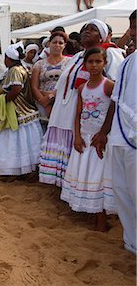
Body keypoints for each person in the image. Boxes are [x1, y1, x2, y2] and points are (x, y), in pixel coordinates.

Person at [39, 19, 124, 187]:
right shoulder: (78, 56)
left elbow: (114, 89)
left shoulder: (110, 54)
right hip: (63, 112)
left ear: (102, 37)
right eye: (85, 28)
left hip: (87, 117)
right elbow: (64, 84)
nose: (86, 31)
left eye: (93, 29)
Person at [94, 10, 136, 254]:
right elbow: (116, 99)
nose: (134, 33)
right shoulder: (129, 60)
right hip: (120, 137)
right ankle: (132, 243)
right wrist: (104, 132)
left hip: (134, 139)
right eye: (132, 27)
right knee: (123, 192)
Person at [60, 47, 115, 231]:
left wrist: (104, 133)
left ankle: (101, 220)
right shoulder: (82, 88)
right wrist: (77, 136)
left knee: (99, 178)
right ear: (85, 64)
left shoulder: (108, 85)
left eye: (98, 61)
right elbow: (78, 114)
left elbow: (114, 108)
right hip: (84, 138)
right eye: (90, 62)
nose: (94, 65)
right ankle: (91, 215)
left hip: (99, 141)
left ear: (104, 63)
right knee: (85, 175)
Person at [0, 42, 42, 180]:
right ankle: (22, 171)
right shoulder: (18, 69)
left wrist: (2, 99)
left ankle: (13, 172)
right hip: (22, 110)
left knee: (12, 143)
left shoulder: (15, 70)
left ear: (8, 58)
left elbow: (15, 90)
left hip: (18, 111)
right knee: (22, 144)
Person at [31, 32, 70, 124]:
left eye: (60, 43)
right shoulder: (39, 64)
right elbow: (34, 87)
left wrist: (52, 97)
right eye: (54, 42)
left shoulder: (70, 63)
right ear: (49, 43)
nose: (57, 45)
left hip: (62, 103)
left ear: (65, 45)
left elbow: (69, 84)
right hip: (42, 103)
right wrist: (45, 104)